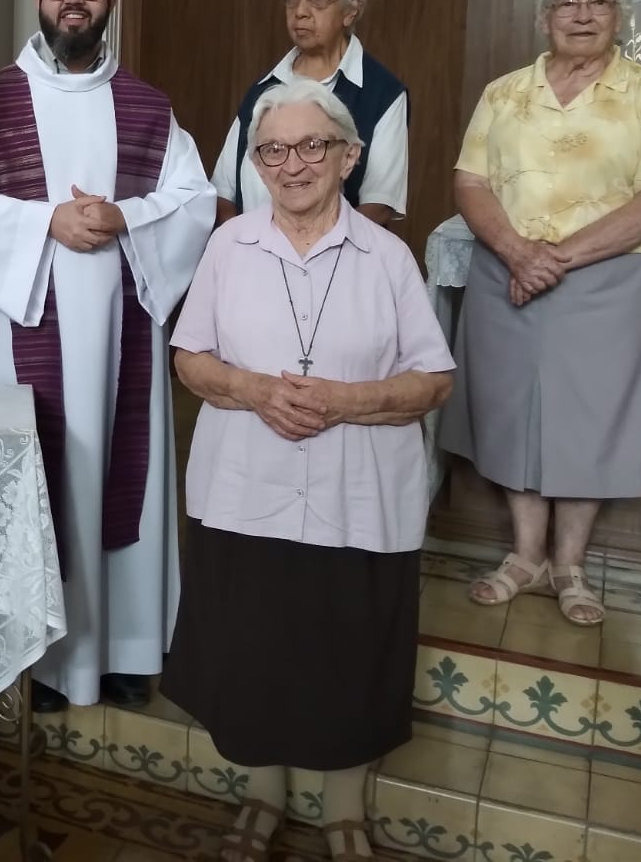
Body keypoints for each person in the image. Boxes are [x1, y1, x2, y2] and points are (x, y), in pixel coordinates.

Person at [164, 79, 453, 862]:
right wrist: (255, 390)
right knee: (254, 647)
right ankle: (261, 797)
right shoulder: (228, 247)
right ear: (255, 164)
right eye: (273, 151)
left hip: (357, 495)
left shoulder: (388, 256)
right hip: (244, 493)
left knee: (347, 652)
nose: (293, 165)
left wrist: (344, 400)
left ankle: (345, 807)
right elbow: (189, 359)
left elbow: (434, 380)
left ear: (348, 156)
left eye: (313, 146)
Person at [0, 0, 215, 712]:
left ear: (109, 0)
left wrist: (124, 217)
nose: (74, 0)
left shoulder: (148, 106)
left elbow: (193, 200)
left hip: (120, 332)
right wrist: (44, 226)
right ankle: (32, 658)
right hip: (20, 323)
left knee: (113, 475)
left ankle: (124, 648)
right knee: (35, 473)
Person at [442, 0, 641, 627]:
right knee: (510, 413)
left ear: (620, 14)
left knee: (589, 425)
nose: (581, 15)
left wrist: (556, 257)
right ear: (544, 16)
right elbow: (470, 182)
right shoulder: (504, 93)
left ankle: (570, 566)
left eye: (598, 3)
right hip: (507, 272)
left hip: (607, 280)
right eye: (567, 4)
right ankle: (524, 556)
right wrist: (520, 253)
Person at [212, 0, 408, 227]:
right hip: (251, 260)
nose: (301, 10)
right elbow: (223, 193)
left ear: (351, 9)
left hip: (336, 265)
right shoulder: (262, 90)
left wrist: (313, 256)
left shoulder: (382, 94)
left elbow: (378, 207)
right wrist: (243, 248)